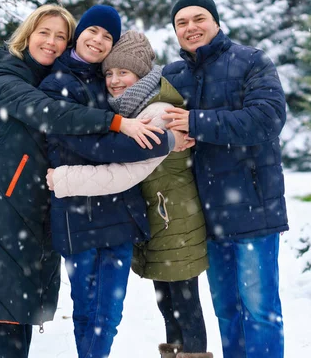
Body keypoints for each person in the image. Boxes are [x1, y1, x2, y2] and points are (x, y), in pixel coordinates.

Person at [0, 4, 166, 358]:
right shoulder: (8, 78)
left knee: (23, 302)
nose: (51, 42)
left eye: (59, 36)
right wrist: (117, 124)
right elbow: (51, 113)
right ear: (28, 34)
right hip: (4, 205)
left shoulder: (57, 76)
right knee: (8, 307)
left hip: (40, 203)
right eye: (44, 33)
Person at [46, 31, 213, 358]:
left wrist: (65, 178)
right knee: (170, 304)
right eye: (108, 73)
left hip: (174, 218)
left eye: (123, 71)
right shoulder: (133, 109)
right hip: (159, 217)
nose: (114, 80)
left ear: (141, 72)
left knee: (185, 304)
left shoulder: (157, 112)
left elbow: (124, 173)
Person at [162, 0, 289, 358]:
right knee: (227, 311)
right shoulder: (171, 76)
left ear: (216, 22)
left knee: (260, 312)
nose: (191, 27)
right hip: (206, 215)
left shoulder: (251, 61)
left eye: (198, 18)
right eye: (181, 22)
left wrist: (195, 122)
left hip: (254, 207)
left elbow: (266, 120)